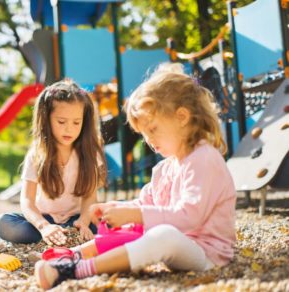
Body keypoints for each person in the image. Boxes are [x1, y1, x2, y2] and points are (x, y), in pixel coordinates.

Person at [34, 63, 237, 289]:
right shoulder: (165, 167)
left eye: (153, 130)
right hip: (176, 243)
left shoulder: (204, 158)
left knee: (161, 233)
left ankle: (76, 270)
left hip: (206, 253)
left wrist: (136, 213)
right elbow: (147, 203)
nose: (149, 141)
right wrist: (116, 208)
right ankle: (73, 255)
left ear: (182, 117)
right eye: (144, 134)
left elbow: (190, 216)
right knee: (130, 226)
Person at [0, 79, 107, 245]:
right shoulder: (36, 154)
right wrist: (44, 226)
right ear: (46, 120)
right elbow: (27, 201)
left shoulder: (89, 154)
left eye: (77, 122)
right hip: (43, 219)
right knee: (3, 224)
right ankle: (55, 234)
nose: (69, 129)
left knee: (110, 221)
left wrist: (83, 222)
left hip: (76, 220)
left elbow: (90, 197)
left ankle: (67, 234)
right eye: (61, 122)